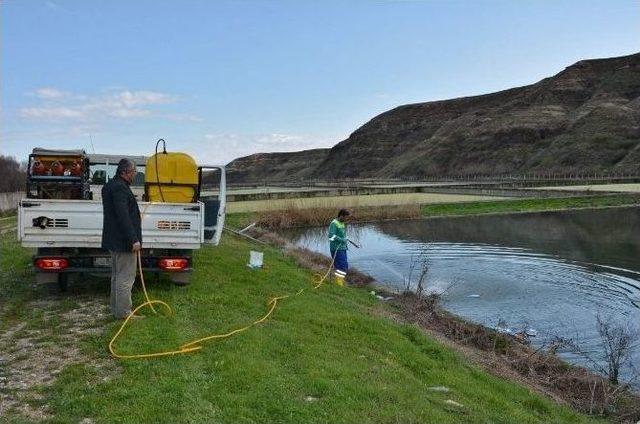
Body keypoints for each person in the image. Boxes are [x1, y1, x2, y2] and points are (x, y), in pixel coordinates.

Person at [101, 158, 143, 319]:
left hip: (114, 240)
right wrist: (133, 239)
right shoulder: (120, 188)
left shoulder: (110, 186)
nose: (134, 175)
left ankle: (116, 309)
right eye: (133, 172)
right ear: (125, 172)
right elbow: (122, 215)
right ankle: (124, 313)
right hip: (123, 242)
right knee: (125, 278)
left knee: (117, 276)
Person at [328, 209, 351, 286]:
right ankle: (339, 283)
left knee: (344, 266)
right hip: (336, 248)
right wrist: (342, 240)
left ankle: (339, 281)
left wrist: (345, 239)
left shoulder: (342, 223)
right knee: (342, 266)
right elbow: (331, 236)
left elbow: (342, 235)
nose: (346, 219)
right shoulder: (334, 223)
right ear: (341, 216)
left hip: (343, 248)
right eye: (346, 218)